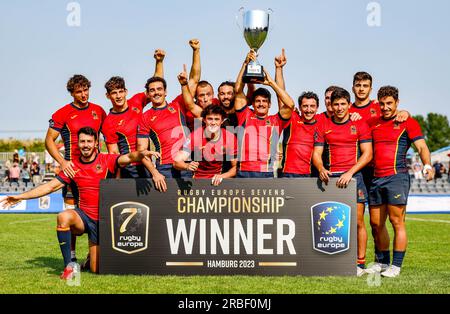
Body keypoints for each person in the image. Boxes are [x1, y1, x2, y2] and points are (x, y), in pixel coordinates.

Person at [0, 127, 160, 279]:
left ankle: (92, 256)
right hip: (84, 217)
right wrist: (21, 197)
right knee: (63, 217)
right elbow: (50, 187)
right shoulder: (72, 167)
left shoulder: (107, 159)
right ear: (78, 143)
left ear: (96, 143)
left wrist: (141, 154)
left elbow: (129, 157)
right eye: (82, 141)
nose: (86, 145)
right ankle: (69, 268)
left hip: (104, 221)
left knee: (96, 269)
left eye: (89, 141)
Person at [367, 86, 434, 278]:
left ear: (397, 102)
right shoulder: (372, 122)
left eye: (389, 103)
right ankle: (382, 262)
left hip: (397, 177)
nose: (386, 107)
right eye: (382, 103)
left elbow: (421, 147)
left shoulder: (408, 122)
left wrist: (427, 165)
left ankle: (395, 266)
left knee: (396, 221)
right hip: (376, 178)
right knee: (375, 223)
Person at [45, 74, 106, 264]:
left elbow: (106, 137)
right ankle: (71, 256)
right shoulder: (62, 113)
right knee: (71, 212)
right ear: (72, 93)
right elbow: (49, 141)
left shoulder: (98, 111)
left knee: (95, 212)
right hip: (73, 172)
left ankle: (92, 254)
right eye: (78, 91)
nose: (83, 94)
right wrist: (63, 163)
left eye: (85, 90)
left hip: (94, 171)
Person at [312, 87, 373, 276]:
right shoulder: (323, 125)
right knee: (330, 221)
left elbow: (368, 154)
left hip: (354, 178)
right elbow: (316, 154)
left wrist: (350, 172)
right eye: (335, 104)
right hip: (331, 179)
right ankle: (331, 261)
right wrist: (321, 168)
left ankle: (360, 264)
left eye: (342, 104)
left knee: (358, 222)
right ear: (331, 105)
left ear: (348, 104)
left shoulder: (360, 124)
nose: (339, 107)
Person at [101, 49, 165, 183]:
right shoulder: (108, 122)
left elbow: (155, 85)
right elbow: (114, 154)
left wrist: (159, 61)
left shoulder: (136, 101)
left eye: (120, 91)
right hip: (130, 169)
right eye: (114, 93)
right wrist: (117, 179)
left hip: (147, 164)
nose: (118, 96)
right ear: (108, 96)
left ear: (126, 92)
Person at [234, 50, 295, 178]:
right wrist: (245, 64)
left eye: (264, 101)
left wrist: (271, 83)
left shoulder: (275, 120)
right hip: (243, 172)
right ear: (253, 103)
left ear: (269, 104)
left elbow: (290, 105)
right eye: (258, 101)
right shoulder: (245, 114)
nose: (261, 104)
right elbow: (238, 90)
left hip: (265, 172)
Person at [137, 66, 200, 181]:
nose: (156, 92)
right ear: (147, 94)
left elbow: (194, 80)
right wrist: (155, 173)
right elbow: (142, 151)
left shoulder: (177, 105)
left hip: (185, 163)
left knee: (187, 199)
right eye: (152, 90)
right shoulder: (145, 117)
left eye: (159, 89)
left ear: (165, 92)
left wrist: (196, 51)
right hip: (164, 168)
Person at [173, 104, 237, 184]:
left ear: (222, 121)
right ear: (204, 120)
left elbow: (236, 167)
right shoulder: (195, 135)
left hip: (218, 180)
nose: (213, 123)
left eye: (216, 119)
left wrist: (223, 176)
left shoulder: (229, 137)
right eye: (210, 119)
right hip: (198, 180)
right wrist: (187, 166)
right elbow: (176, 162)